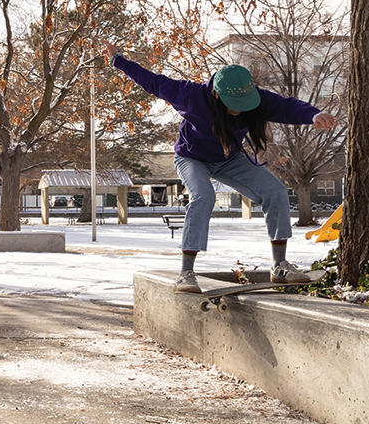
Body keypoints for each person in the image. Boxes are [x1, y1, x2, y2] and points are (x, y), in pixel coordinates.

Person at [103, 44, 338, 292]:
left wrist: (313, 115)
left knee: (276, 191)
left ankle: (279, 266)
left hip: (230, 159)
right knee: (204, 196)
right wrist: (118, 60)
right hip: (191, 158)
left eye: (244, 103)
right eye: (233, 103)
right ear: (216, 95)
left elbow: (286, 106)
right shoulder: (191, 95)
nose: (239, 109)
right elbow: (153, 82)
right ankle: (186, 273)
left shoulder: (256, 99)